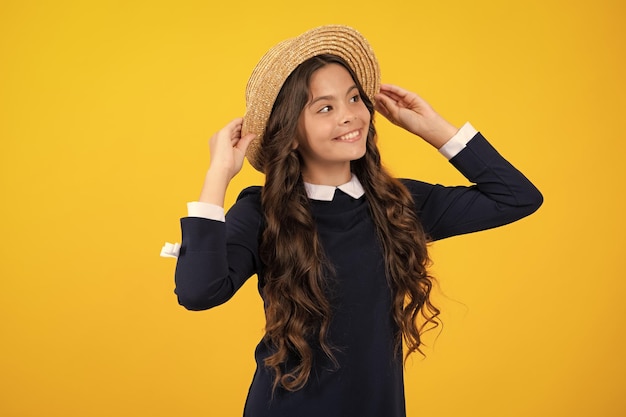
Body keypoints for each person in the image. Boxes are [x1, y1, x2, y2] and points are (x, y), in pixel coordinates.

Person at [162, 25, 542, 417]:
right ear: (290, 132)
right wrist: (218, 175)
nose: (350, 117)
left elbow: (516, 198)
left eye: (354, 98)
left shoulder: (398, 204)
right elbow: (198, 292)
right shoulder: (262, 211)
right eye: (325, 107)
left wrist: (435, 130)